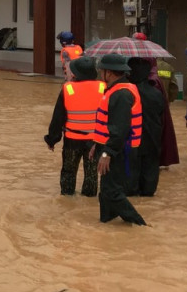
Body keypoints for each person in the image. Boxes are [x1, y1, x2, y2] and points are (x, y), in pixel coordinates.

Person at [90, 53, 147, 226]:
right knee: (106, 191)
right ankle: (106, 222)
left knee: (111, 191)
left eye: (102, 71)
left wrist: (108, 153)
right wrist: (97, 145)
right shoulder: (116, 90)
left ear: (110, 72)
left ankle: (140, 225)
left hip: (120, 150)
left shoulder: (121, 94)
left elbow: (120, 129)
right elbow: (107, 125)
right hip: (113, 147)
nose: (100, 74)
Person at [44, 56, 105, 197]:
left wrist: (52, 140)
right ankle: (89, 201)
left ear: (76, 74)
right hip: (95, 141)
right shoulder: (103, 87)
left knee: (68, 172)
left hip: (72, 140)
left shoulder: (67, 89)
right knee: (91, 174)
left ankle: (67, 199)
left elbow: (58, 118)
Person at [127, 57, 166, 196]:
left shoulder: (126, 93)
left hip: (132, 139)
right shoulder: (156, 93)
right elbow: (162, 112)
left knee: (131, 175)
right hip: (153, 137)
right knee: (150, 171)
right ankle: (148, 192)